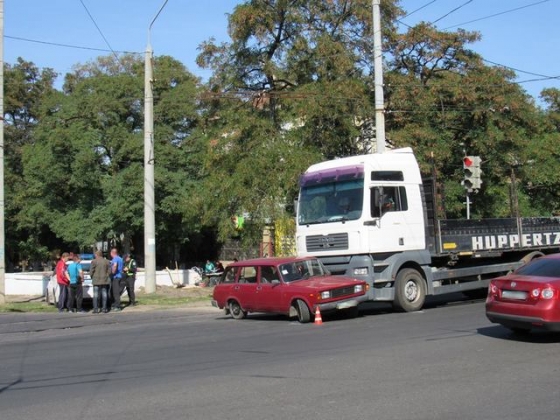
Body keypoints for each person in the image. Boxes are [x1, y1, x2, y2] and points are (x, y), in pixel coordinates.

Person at [110, 248, 124, 312]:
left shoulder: (115, 259)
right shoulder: (120, 258)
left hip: (116, 277)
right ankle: (116, 304)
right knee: (117, 292)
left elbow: (115, 265)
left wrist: (112, 272)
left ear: (112, 253)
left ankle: (117, 306)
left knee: (115, 292)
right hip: (121, 276)